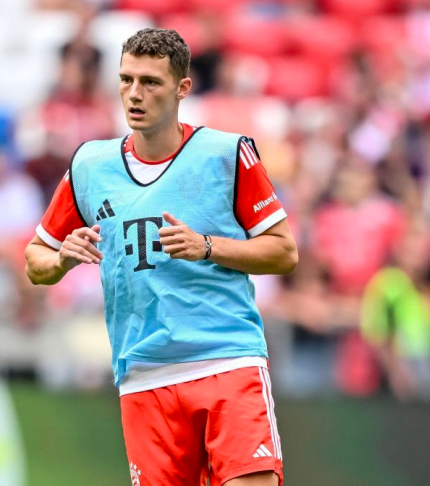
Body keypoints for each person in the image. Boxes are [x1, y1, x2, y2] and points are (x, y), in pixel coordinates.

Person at [25, 28, 297, 486]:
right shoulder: (90, 165)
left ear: (182, 88)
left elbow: (284, 251)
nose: (135, 94)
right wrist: (62, 260)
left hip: (226, 360)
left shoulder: (227, 153)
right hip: (143, 374)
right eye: (126, 79)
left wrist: (207, 246)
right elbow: (37, 259)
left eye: (150, 82)